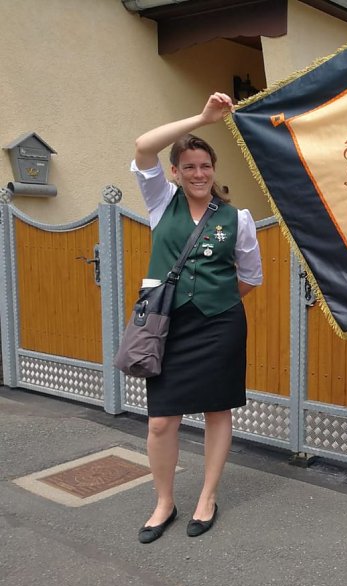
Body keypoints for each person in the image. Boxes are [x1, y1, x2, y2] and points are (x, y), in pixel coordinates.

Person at [132, 93, 263, 544]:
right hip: (168, 325)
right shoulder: (159, 201)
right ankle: (164, 502)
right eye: (188, 166)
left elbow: (249, 276)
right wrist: (205, 119)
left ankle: (207, 497)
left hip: (219, 325)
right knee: (161, 421)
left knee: (216, 410)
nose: (198, 173)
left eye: (205, 166)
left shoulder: (236, 217)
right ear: (175, 173)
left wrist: (218, 302)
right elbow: (143, 144)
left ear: (214, 171)